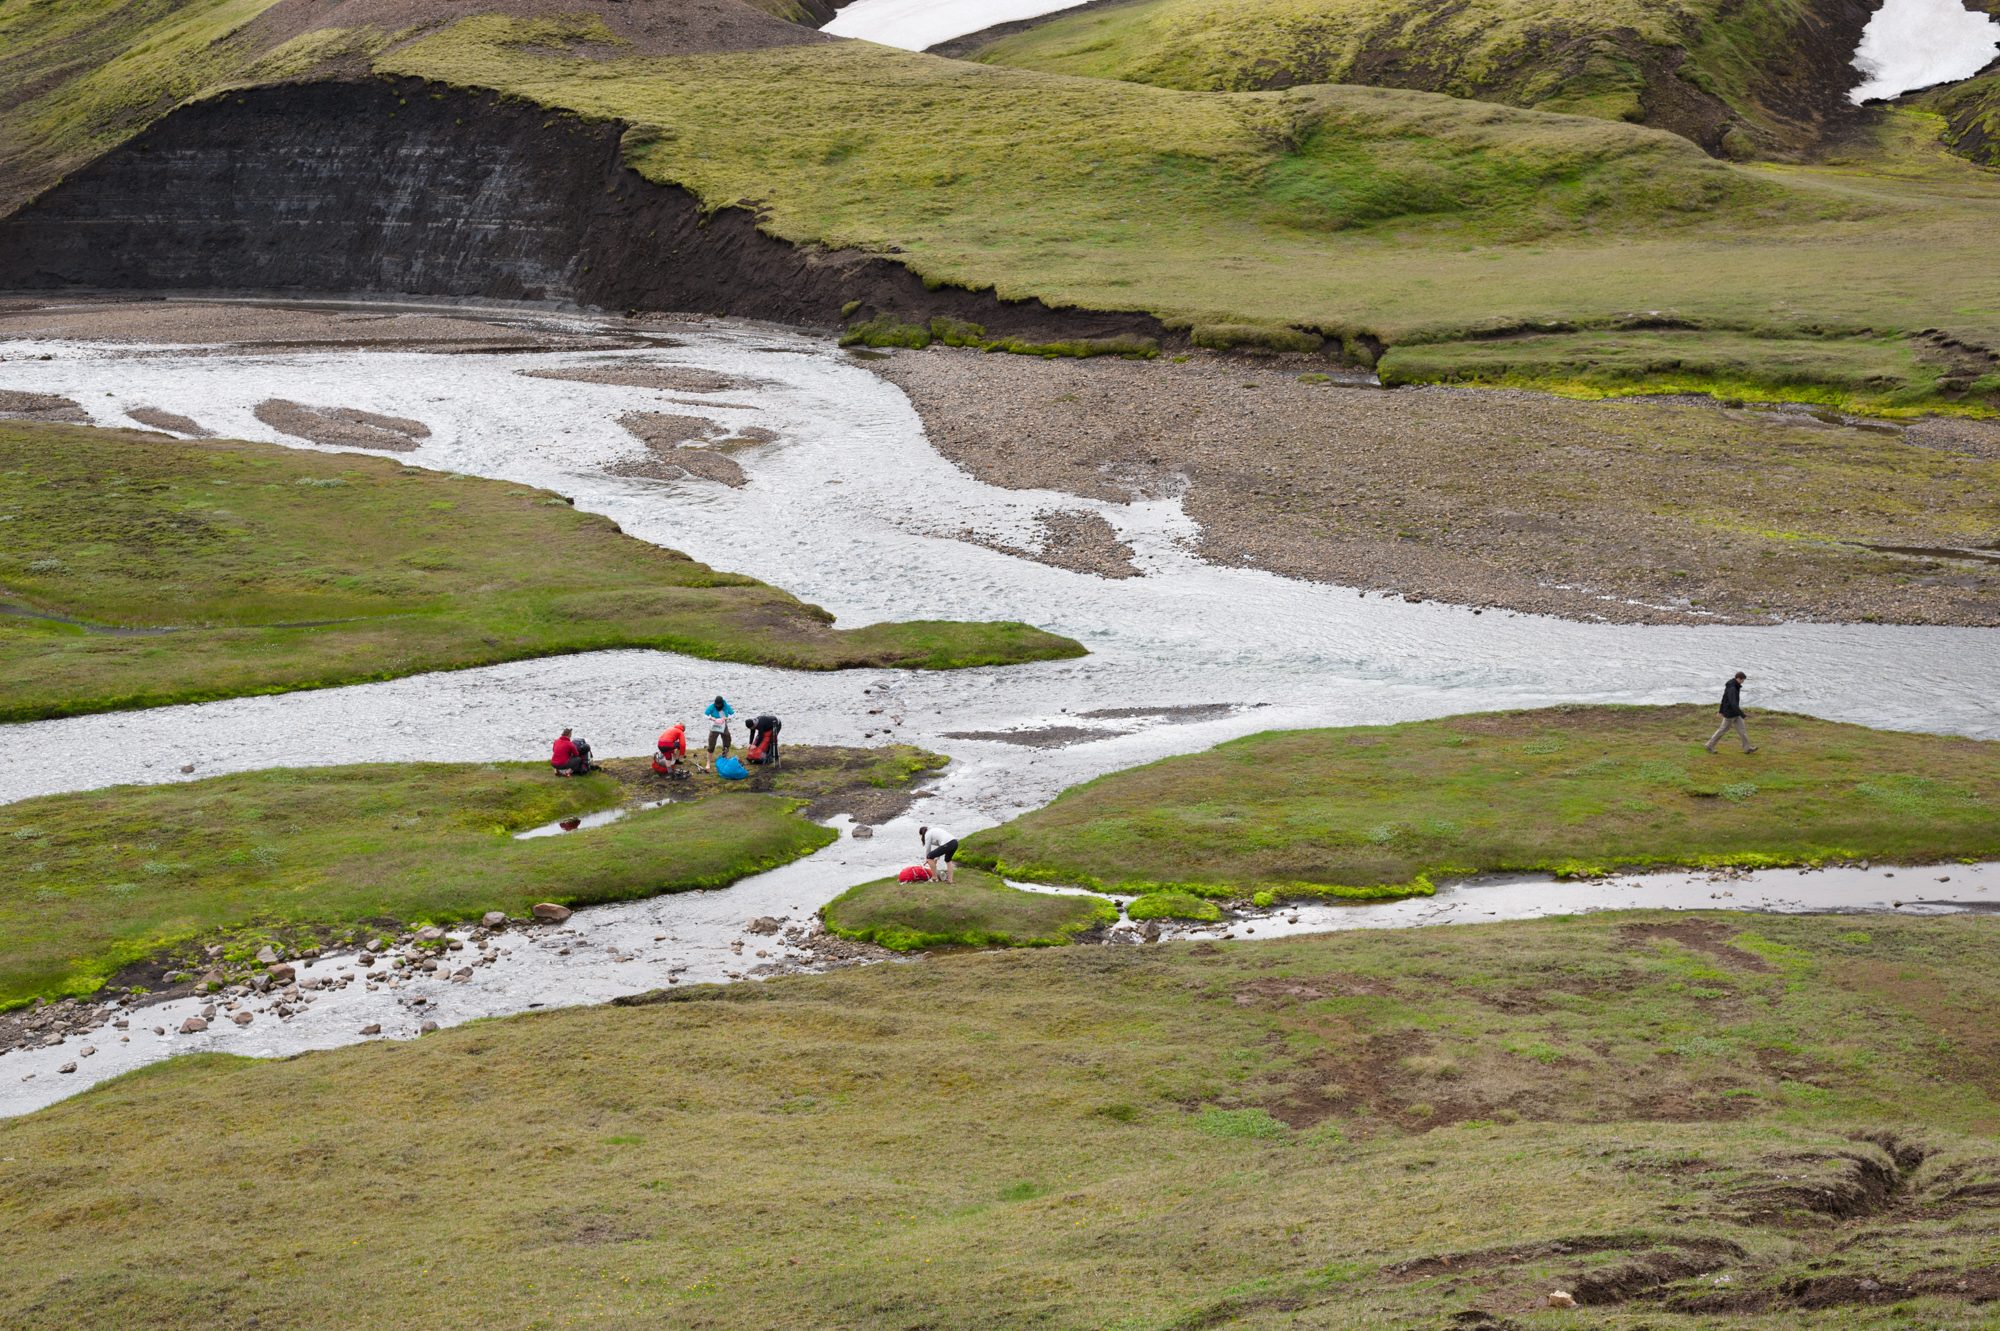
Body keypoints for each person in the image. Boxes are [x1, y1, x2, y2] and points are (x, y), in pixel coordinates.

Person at [1705, 672, 1758, 753]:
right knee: (1722, 730)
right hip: (1730, 714)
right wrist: (1743, 715)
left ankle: (1747, 748)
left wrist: (1721, 711)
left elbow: (1724, 698)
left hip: (1736, 713)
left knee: (1742, 731)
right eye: (1743, 680)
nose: (1743, 682)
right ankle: (1709, 745)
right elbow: (1733, 703)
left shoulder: (1735, 685)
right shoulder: (1732, 688)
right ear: (1738, 678)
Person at [703, 695, 735, 767]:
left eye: (719, 705)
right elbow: (705, 714)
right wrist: (711, 718)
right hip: (714, 726)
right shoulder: (712, 706)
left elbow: (733, 714)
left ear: (722, 703)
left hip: (723, 726)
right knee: (711, 743)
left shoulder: (726, 706)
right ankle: (708, 763)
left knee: (727, 740)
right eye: (717, 705)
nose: (718, 706)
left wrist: (727, 718)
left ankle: (725, 757)